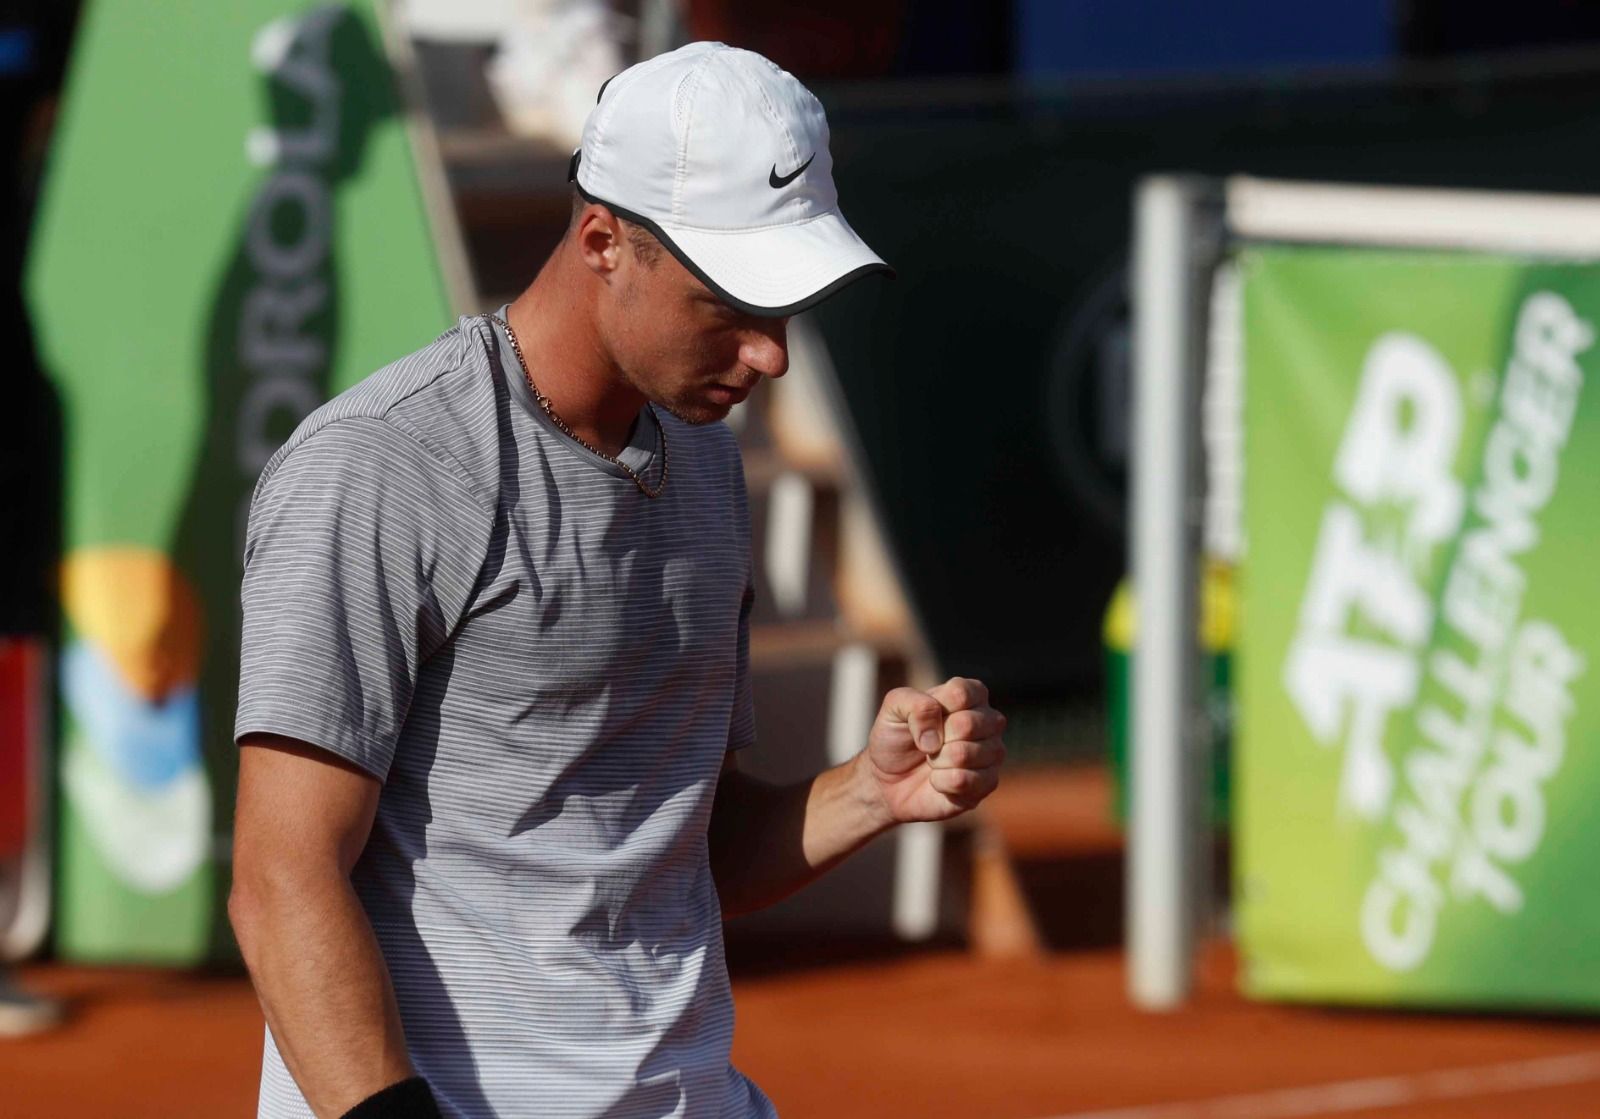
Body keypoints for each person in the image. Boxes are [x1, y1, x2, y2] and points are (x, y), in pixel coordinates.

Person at [228, 42, 1007, 1119]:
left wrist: (869, 795)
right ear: (603, 241)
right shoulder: (381, 464)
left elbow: (676, 850)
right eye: (731, 302)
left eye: (787, 303)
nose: (771, 354)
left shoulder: (706, 462)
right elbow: (282, 879)